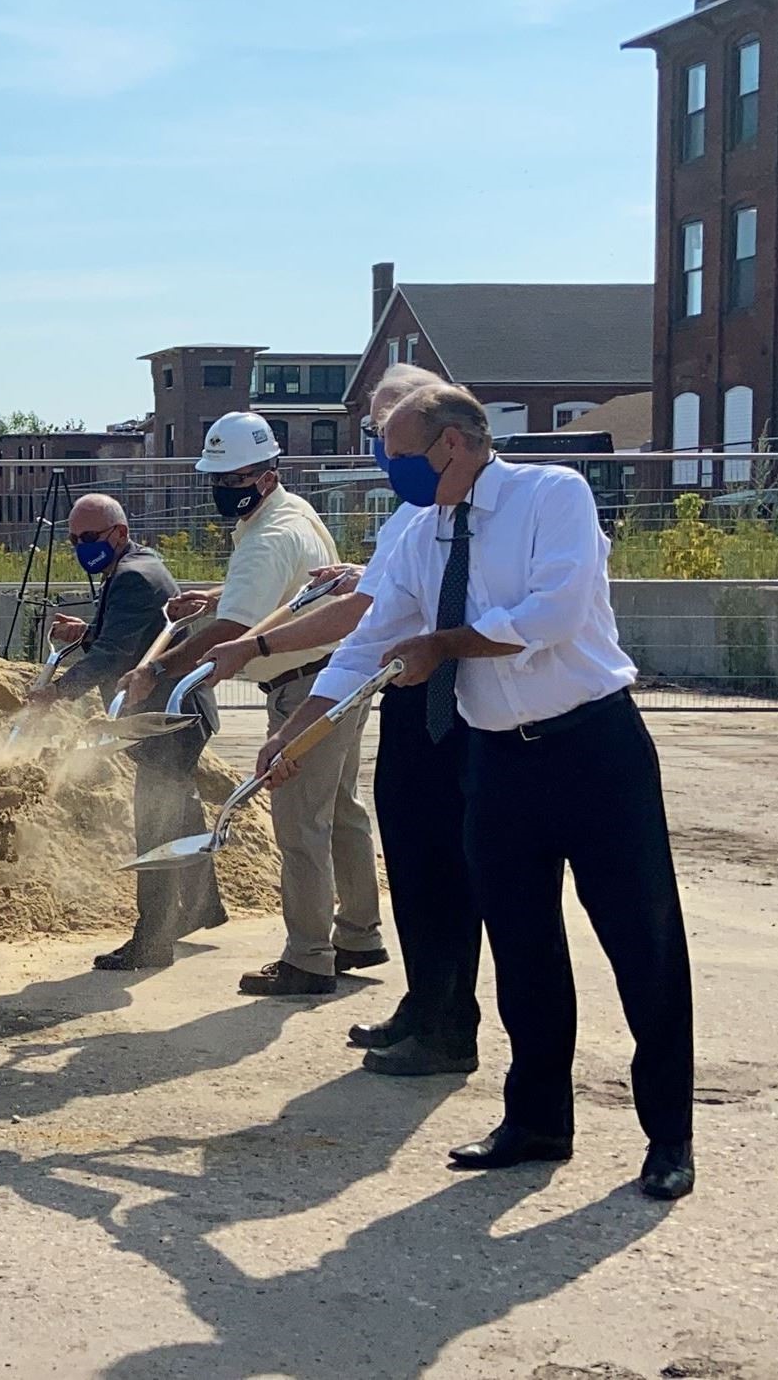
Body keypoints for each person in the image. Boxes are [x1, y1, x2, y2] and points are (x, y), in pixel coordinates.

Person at [264, 382, 696, 1201]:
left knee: (642, 947)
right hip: (497, 764)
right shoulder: (424, 535)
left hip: (594, 751)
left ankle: (666, 1137)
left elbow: (555, 614)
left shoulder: (551, 496)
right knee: (522, 950)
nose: (391, 469)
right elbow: (367, 644)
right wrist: (294, 734)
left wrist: (443, 644)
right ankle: (536, 1122)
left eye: (399, 454)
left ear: (453, 445)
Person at [195, 365, 483, 1075]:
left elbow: (368, 615)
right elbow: (368, 611)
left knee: (308, 828)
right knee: (360, 825)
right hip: (358, 685)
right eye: (374, 434)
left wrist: (240, 651)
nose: (380, 449)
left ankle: (310, 958)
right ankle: (382, 961)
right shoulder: (394, 517)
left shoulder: (525, 501)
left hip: (425, 702)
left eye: (389, 434)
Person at [121, 410, 383, 997]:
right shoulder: (291, 513)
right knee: (341, 809)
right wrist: (215, 594)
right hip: (337, 674)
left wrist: (158, 668)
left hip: (302, 689)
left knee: (300, 826)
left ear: (265, 476)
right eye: (218, 477)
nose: (222, 488)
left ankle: (310, 958)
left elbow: (234, 630)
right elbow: (285, 587)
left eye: (234, 478)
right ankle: (360, 933)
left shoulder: (267, 536)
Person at [38, 492, 223, 971]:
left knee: (155, 824)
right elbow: (127, 636)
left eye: (91, 538)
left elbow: (114, 658)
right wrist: (85, 631)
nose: (82, 547)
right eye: (75, 539)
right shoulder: (137, 567)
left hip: (164, 720)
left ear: (118, 533)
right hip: (176, 716)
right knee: (178, 810)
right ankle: (203, 906)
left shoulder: (133, 577)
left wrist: (56, 694)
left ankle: (153, 940)